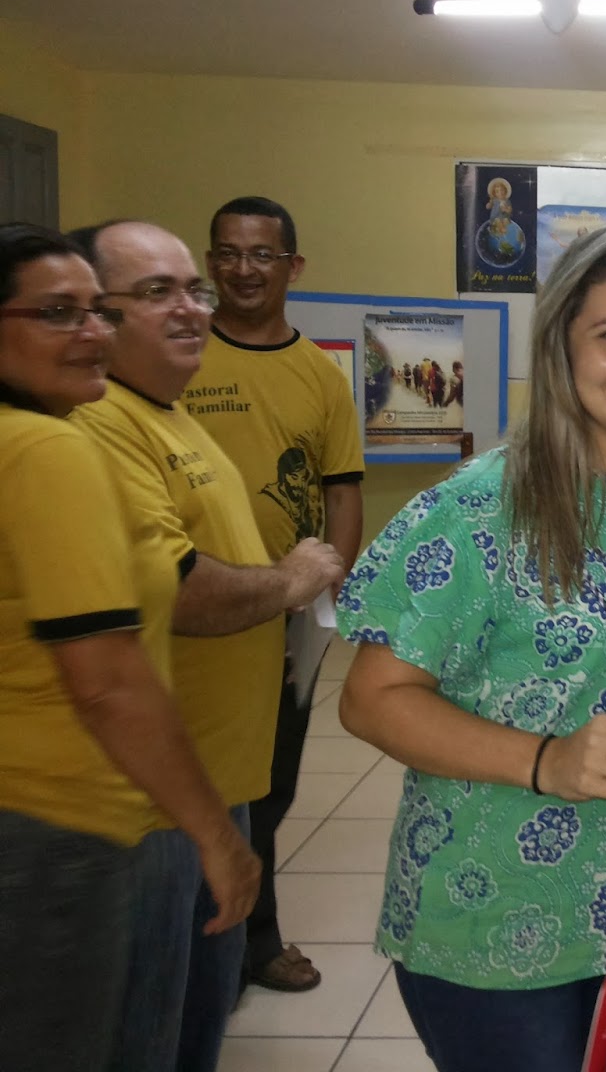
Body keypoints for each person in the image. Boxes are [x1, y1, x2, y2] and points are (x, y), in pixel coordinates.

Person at [337, 223, 606, 1072]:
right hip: (501, 913)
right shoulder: (481, 506)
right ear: (562, 343)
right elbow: (371, 699)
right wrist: (547, 759)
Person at [70, 220, 344, 1072]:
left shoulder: (169, 412)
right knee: (149, 1031)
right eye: (157, 292)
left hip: (217, 781)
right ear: (94, 315)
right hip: (156, 799)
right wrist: (289, 583)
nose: (191, 306)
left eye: (191, 287)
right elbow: (176, 589)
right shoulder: (100, 424)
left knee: (199, 1017)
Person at [0, 223, 259, 1072]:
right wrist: (214, 835)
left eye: (94, 312)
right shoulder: (48, 448)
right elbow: (107, 678)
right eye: (55, 312)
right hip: (59, 817)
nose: (90, 333)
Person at [189, 195, 365, 995]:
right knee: (194, 782)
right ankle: (201, 948)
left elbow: (342, 491)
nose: (243, 268)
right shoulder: (180, 357)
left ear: (293, 266)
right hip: (192, 612)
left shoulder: (319, 376)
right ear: (210, 262)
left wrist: (327, 595)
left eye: (262, 254)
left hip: (286, 621)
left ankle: (252, 941)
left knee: (270, 784)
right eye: (227, 253)